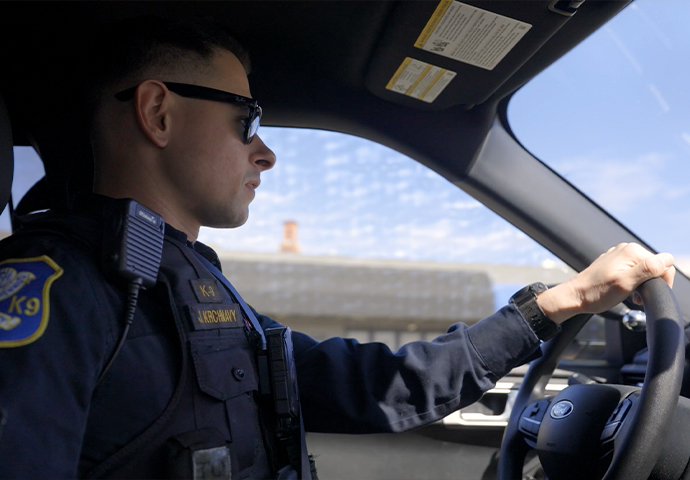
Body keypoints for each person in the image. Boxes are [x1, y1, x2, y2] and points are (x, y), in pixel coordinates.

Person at [0, 17, 676, 480]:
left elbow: (370, 385)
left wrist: (562, 302)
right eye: (247, 121)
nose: (263, 151)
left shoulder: (193, 290)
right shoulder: (55, 291)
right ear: (158, 113)